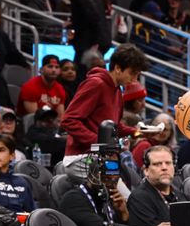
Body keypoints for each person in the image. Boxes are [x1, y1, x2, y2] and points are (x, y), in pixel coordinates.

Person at [60, 44, 150, 182]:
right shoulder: (96, 84)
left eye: (138, 74)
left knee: (134, 188)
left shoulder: (117, 91)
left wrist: (137, 132)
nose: (135, 79)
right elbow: (68, 120)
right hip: (81, 158)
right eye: (132, 73)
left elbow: (114, 127)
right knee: (125, 198)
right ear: (118, 68)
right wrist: (99, 143)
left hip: (101, 156)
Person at [54, 0, 111, 76]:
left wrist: (96, 43)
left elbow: (93, 15)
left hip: (90, 43)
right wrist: (72, 24)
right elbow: (86, 15)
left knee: (84, 77)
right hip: (89, 42)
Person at [127, 145, 184, 226]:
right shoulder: (139, 198)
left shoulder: (180, 196)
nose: (164, 168)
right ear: (146, 171)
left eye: (168, 163)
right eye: (157, 164)